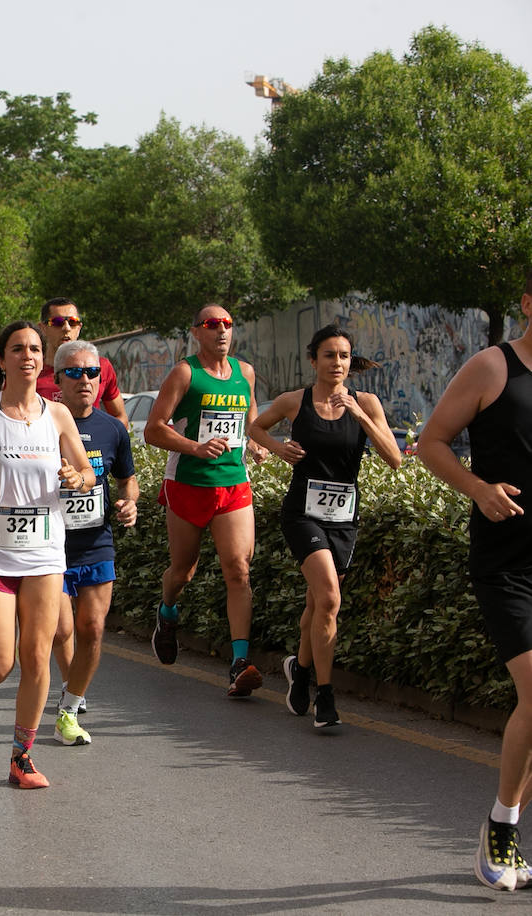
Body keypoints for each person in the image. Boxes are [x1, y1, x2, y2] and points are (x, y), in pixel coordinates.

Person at [0, 320, 94, 788]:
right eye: (17, 349)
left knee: (37, 656)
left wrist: (77, 478)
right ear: (1, 359)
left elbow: (87, 473)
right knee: (0, 662)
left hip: (44, 550)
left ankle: (21, 757)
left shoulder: (59, 416)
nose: (27, 356)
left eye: (34, 349)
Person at [417, 276, 532, 892]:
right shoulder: (494, 367)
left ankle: (504, 826)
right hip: (507, 563)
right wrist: (480, 490)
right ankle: (503, 829)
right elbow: (431, 443)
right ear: (527, 304)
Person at [250, 326, 401, 728]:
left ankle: (299, 669)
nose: (337, 363)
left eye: (344, 356)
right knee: (330, 598)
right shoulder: (294, 401)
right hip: (302, 514)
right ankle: (326, 696)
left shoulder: (366, 402)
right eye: (329, 355)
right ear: (313, 360)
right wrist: (278, 448)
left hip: (343, 518)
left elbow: (395, 458)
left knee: (318, 603)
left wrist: (359, 415)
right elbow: (255, 428)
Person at [144, 304, 269, 697]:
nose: (222, 331)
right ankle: (167, 613)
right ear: (196, 331)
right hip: (188, 483)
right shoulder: (186, 373)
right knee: (183, 572)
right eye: (212, 325)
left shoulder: (244, 373)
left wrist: (258, 443)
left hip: (233, 484)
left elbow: (251, 420)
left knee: (239, 570)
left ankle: (239, 663)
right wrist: (195, 448)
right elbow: (152, 430)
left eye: (228, 324)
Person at [49, 340, 139, 746]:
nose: (84, 380)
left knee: (93, 628)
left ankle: (69, 705)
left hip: (97, 541)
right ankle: (71, 689)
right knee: (61, 629)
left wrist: (129, 504)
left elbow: (127, 481)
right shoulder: (41, 424)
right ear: (57, 380)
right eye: (74, 372)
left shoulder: (113, 429)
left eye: (92, 373)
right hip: (49, 544)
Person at [34, 297, 129, 429]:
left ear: (79, 327)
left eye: (72, 322)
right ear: (42, 328)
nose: (66, 328)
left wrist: (102, 439)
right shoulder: (31, 372)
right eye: (57, 322)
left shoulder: (100, 366)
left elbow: (120, 417)